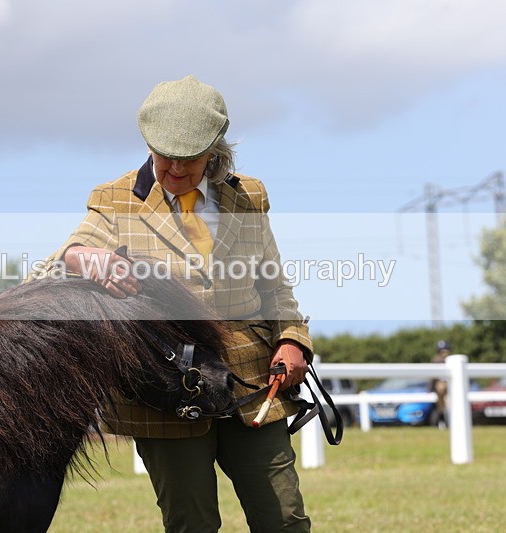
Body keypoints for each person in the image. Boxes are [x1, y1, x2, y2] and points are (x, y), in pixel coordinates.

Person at [28, 75, 313, 532]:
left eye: (190, 161)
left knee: (285, 519)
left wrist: (293, 339)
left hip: (254, 385)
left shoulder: (249, 196)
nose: (175, 170)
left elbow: (274, 285)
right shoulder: (114, 199)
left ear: (216, 150)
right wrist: (89, 259)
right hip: (169, 391)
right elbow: (60, 262)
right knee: (191, 524)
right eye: (165, 157)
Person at [430, 339, 451, 429]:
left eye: (445, 351)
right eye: (442, 352)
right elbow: (433, 378)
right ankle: (441, 418)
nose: (444, 354)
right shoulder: (436, 362)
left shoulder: (451, 361)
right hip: (440, 392)